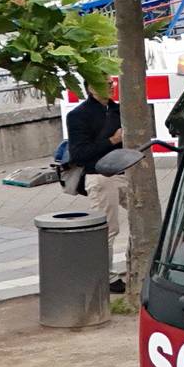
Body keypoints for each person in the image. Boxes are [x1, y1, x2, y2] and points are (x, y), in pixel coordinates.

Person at [63, 89, 129, 289]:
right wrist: (112, 141)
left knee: (143, 216)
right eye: (105, 82)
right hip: (99, 175)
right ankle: (106, 277)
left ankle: (136, 263)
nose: (110, 85)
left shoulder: (119, 110)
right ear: (91, 87)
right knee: (108, 228)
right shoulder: (78, 115)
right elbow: (79, 154)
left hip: (125, 172)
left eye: (111, 81)